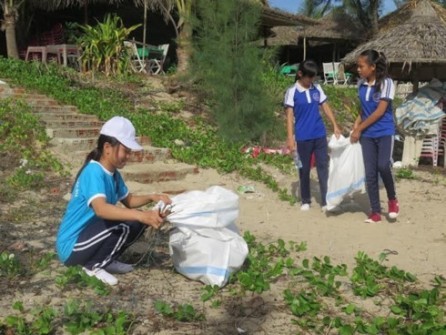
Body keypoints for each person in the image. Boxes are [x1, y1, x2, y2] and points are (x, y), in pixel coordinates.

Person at [56, 116, 172, 286]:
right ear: (108, 147)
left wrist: (152, 197)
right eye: (126, 150)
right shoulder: (94, 172)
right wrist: (140, 215)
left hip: (89, 238)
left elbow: (129, 200)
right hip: (72, 247)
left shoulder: (114, 175)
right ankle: (93, 266)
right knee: (128, 222)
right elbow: (101, 209)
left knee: (136, 223)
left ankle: (106, 259)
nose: (128, 156)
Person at [284, 59, 341, 212]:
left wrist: (334, 125)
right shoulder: (292, 92)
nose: (311, 81)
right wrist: (290, 137)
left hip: (319, 134)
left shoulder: (317, 89)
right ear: (300, 74)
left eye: (313, 78)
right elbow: (289, 116)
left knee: (323, 166)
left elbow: (325, 107)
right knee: (304, 168)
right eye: (309, 77)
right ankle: (305, 199)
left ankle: (325, 200)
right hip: (303, 136)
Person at [350, 49, 399, 223]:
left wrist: (359, 128)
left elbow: (379, 112)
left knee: (383, 166)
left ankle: (392, 200)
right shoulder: (361, 84)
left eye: (361, 66)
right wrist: (357, 125)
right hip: (367, 135)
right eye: (358, 66)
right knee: (370, 173)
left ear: (372, 67)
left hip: (384, 132)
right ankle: (376, 212)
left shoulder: (386, 83)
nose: (358, 69)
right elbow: (364, 109)